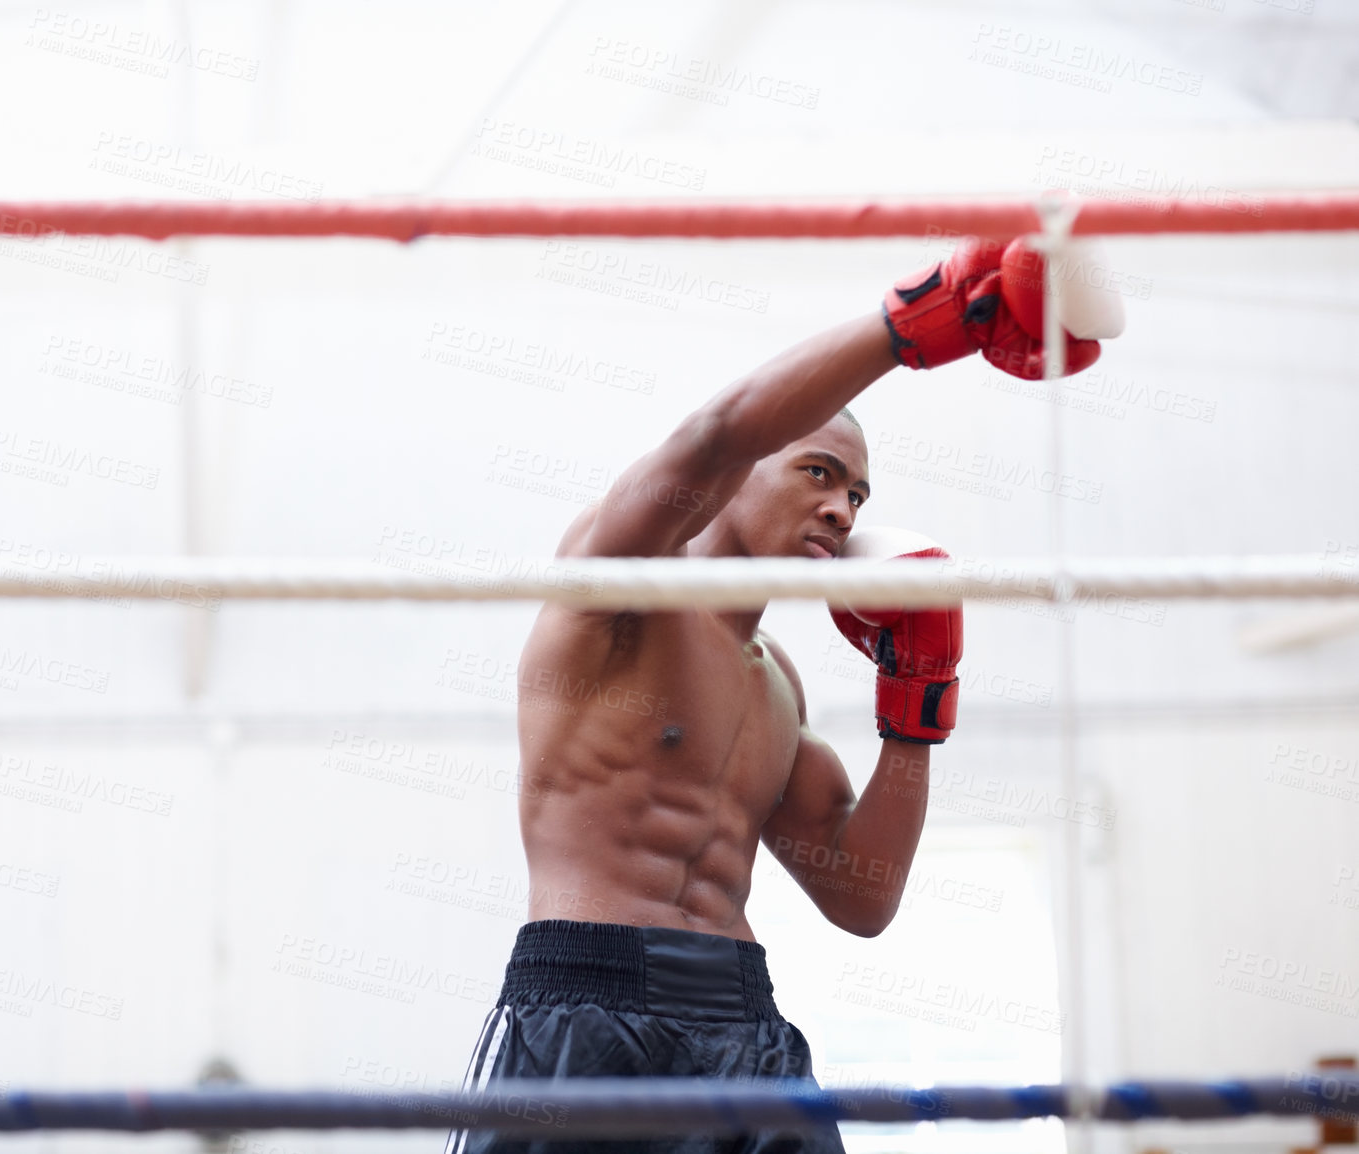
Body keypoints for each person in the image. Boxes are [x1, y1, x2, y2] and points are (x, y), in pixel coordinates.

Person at [451, 237, 1111, 1154]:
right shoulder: (620, 584)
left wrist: (914, 707)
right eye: (818, 472)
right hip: (591, 1001)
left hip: (742, 1019)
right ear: (739, 479)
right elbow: (715, 434)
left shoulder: (777, 684)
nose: (844, 510)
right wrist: (910, 328)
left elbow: (863, 899)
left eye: (858, 493)